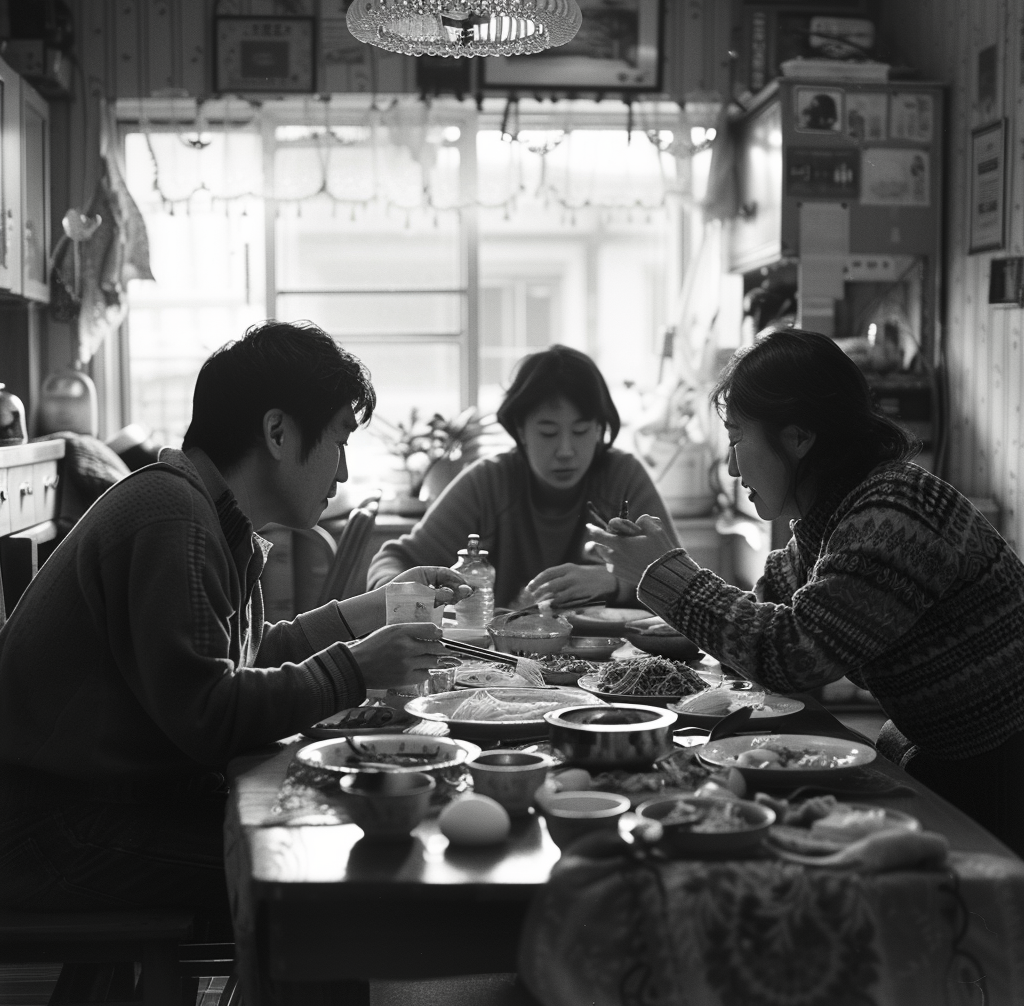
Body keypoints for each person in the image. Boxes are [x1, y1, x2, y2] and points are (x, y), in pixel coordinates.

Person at [0, 321, 469, 926]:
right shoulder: (171, 517)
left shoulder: (204, 511)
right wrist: (356, 668)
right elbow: (212, 715)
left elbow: (243, 658)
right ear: (278, 432)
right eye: (339, 441)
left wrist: (364, 614)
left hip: (107, 805)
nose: (344, 472)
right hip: (54, 831)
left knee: (337, 815)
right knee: (320, 871)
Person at [590, 327, 1024, 855]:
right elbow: (758, 616)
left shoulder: (894, 511)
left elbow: (789, 654)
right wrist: (659, 580)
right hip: (950, 753)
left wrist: (660, 571)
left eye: (735, 439)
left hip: (1002, 767)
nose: (729, 467)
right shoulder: (832, 519)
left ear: (798, 437)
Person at [366, 345, 678, 610]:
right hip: (506, 666)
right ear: (520, 430)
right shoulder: (490, 483)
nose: (566, 451)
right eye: (548, 432)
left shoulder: (623, 478)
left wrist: (615, 581)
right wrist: (409, 601)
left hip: (611, 669)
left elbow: (680, 584)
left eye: (581, 431)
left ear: (600, 429)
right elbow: (395, 560)